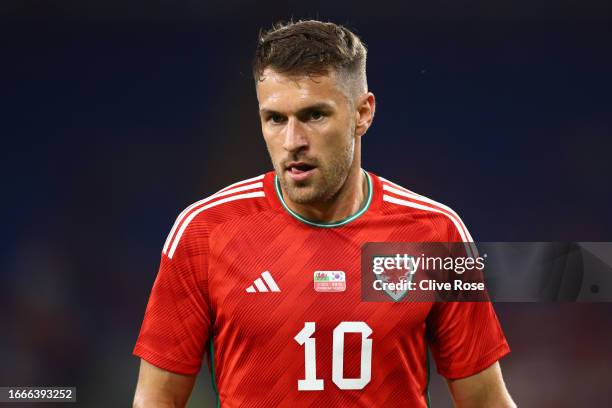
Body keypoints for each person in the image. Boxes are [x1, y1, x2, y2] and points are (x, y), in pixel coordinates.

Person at [133, 20, 515, 407]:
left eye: (314, 115)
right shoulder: (205, 231)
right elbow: (156, 400)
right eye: (275, 119)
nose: (293, 141)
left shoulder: (434, 234)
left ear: (363, 113)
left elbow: (485, 401)